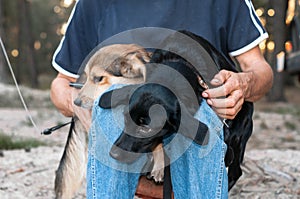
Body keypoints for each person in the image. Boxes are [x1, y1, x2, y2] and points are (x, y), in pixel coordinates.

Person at [50, 0, 273, 198]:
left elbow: (260, 70)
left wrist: (242, 85)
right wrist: (80, 104)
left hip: (196, 135)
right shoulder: (93, 4)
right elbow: (61, 83)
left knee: (202, 107)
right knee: (109, 104)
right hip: (130, 140)